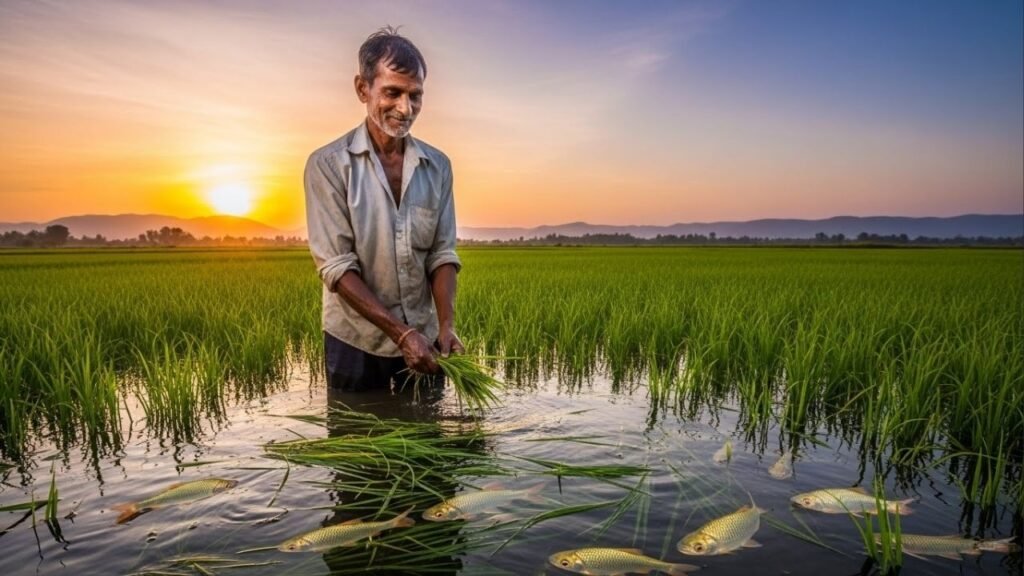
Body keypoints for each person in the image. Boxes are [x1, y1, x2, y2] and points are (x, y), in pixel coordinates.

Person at [304, 26, 463, 392]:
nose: (405, 108)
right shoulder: (328, 165)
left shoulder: (437, 166)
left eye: (415, 95)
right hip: (355, 343)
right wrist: (401, 334)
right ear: (363, 89)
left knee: (426, 443)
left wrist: (445, 327)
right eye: (392, 92)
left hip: (425, 342)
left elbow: (442, 254)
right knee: (355, 442)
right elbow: (336, 266)